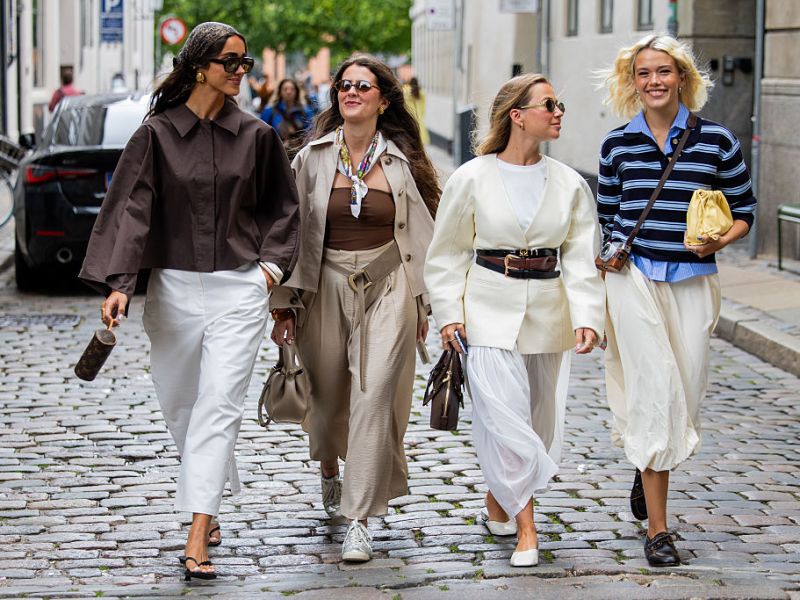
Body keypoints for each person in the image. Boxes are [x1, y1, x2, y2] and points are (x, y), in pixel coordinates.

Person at [78, 22, 300, 580]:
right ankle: (211, 489)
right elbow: (130, 209)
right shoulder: (155, 135)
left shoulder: (257, 136)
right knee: (181, 406)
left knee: (219, 405)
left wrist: (269, 273)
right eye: (231, 61)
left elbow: (284, 210)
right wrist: (119, 284)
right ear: (200, 66)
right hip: (174, 290)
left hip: (239, 290)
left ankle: (197, 531)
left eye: (245, 63)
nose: (241, 72)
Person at [424, 74, 604, 568]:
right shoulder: (472, 177)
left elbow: (582, 256)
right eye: (550, 104)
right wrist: (449, 316)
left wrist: (589, 315)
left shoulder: (568, 182)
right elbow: (447, 255)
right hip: (487, 310)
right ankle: (528, 530)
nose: (559, 111)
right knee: (505, 421)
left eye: (559, 103)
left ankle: (498, 502)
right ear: (517, 115)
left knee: (539, 424)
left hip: (549, 313)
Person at [270, 54, 440, 563]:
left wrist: (424, 302)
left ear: (382, 100)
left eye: (362, 86)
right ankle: (328, 466)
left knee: (373, 396)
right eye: (344, 85)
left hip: (387, 286)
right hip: (323, 285)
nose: (351, 92)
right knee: (325, 405)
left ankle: (359, 517)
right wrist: (285, 305)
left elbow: (424, 235)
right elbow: (289, 234)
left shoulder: (402, 162)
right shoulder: (313, 158)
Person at [597, 33, 756, 567]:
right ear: (632, 81)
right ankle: (659, 533)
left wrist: (721, 238)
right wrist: (610, 254)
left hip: (692, 280)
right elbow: (609, 217)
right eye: (644, 73)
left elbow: (745, 211)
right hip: (634, 280)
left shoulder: (716, 141)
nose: (654, 82)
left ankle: (648, 468)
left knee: (683, 393)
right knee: (655, 392)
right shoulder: (617, 144)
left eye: (663, 72)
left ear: (682, 78)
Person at [260, 78, 314, 145]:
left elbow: (310, 132)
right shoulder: (269, 111)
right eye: (285, 89)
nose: (288, 92)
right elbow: (263, 133)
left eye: (292, 89)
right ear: (280, 92)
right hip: (276, 151)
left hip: (299, 151)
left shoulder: (305, 111)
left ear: (297, 92)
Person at [403, 77, 429, 145]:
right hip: (419, 118)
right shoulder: (421, 93)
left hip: (409, 116)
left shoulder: (406, 91)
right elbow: (424, 107)